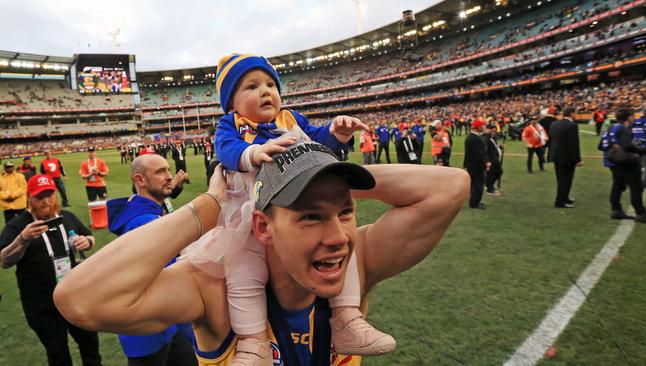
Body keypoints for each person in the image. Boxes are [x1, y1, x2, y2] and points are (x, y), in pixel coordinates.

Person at [53, 141, 470, 366]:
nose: (339, 237)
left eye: (345, 211)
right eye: (310, 217)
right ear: (263, 227)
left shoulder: (355, 262)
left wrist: (315, 167)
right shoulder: (214, 290)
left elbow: (451, 187)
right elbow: (78, 299)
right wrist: (209, 207)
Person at [213, 54, 383, 365]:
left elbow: (318, 137)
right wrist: (252, 152)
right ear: (232, 103)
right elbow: (225, 150)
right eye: (251, 86)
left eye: (269, 84)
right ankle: (253, 343)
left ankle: (347, 318)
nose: (265, 91)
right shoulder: (231, 125)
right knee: (243, 270)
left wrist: (337, 132)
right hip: (248, 214)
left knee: (345, 249)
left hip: (294, 202)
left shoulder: (290, 119)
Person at [1, 174, 101, 366]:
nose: (47, 201)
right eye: (40, 197)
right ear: (30, 198)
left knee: (91, 349)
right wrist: (23, 239)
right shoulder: (18, 225)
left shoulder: (67, 217)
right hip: (43, 306)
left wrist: (87, 241)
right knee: (58, 355)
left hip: (77, 298)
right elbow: (4, 260)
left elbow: (89, 237)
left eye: (50, 195)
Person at [107, 155, 198, 365]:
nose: (169, 177)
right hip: (147, 329)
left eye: (168, 170)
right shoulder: (146, 221)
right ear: (140, 180)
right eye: (160, 172)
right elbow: (170, 277)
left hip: (163, 323)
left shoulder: (147, 211)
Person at [598, 108, 646, 223]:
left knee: (617, 185)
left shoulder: (611, 127)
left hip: (613, 161)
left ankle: (616, 210)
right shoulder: (623, 129)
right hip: (626, 162)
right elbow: (627, 146)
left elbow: (601, 145)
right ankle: (641, 212)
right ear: (629, 117)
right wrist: (644, 151)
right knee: (636, 187)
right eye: (633, 116)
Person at [549, 107, 582, 208]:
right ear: (571, 114)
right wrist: (577, 159)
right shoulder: (572, 126)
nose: (576, 115)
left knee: (561, 179)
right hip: (567, 157)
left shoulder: (554, 124)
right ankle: (560, 201)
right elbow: (574, 144)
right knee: (566, 180)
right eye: (575, 113)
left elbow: (552, 140)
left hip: (556, 155)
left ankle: (565, 197)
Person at [464, 119, 490, 209]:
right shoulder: (474, 138)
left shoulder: (471, 137)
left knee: (475, 184)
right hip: (476, 165)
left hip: (471, 164)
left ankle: (475, 201)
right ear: (478, 127)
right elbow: (479, 153)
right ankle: (474, 203)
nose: (483, 127)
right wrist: (486, 162)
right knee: (478, 184)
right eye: (482, 126)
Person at [482, 124, 503, 196]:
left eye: (494, 129)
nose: (493, 130)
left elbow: (494, 145)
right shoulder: (485, 138)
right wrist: (487, 161)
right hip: (491, 160)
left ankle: (489, 185)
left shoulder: (492, 137)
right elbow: (484, 150)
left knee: (496, 173)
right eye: (491, 129)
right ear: (486, 129)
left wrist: (500, 147)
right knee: (496, 173)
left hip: (495, 159)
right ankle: (490, 189)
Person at [632, 109, 646, 188]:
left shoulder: (635, 121)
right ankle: (644, 183)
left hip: (634, 146)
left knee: (637, 165)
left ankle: (634, 181)